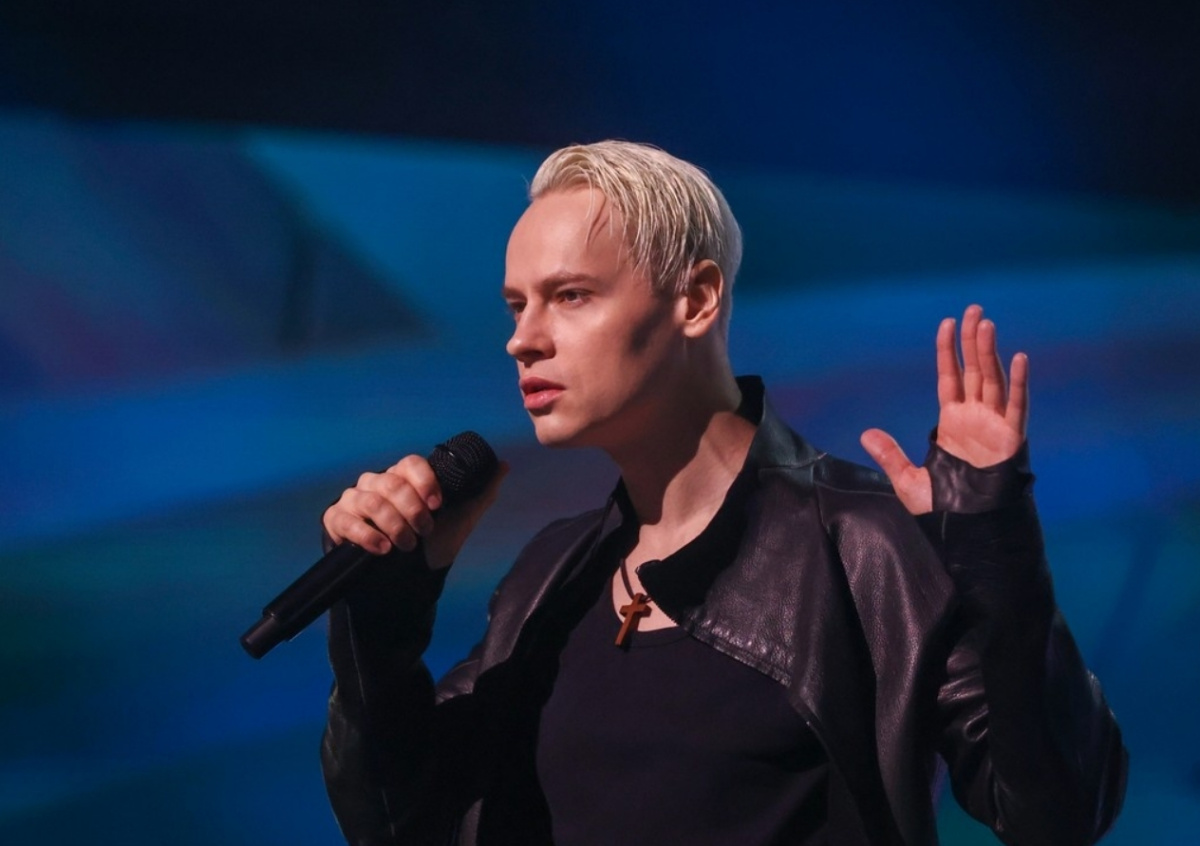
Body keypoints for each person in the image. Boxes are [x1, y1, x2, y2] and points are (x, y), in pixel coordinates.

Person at [318, 141, 1127, 845]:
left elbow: (1058, 813)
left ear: (697, 299)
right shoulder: (549, 574)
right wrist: (382, 620)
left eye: (570, 296)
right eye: (515, 305)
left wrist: (993, 555)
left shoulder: (863, 546)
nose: (522, 339)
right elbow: (395, 822)